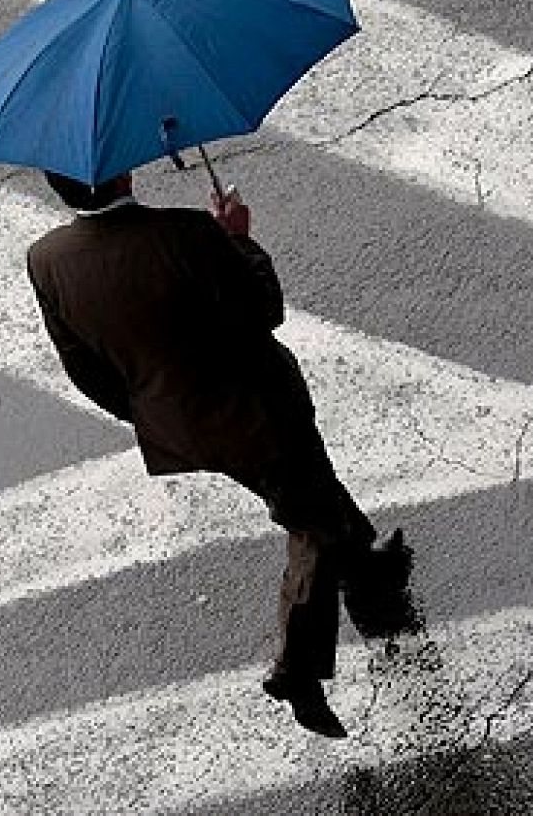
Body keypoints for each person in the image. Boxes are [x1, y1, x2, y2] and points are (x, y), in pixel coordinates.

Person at [26, 168, 420, 738]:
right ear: (121, 171)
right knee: (309, 518)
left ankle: (370, 568)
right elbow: (263, 309)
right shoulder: (187, 234)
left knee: (311, 491)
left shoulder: (47, 259)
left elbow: (83, 368)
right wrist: (236, 236)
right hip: (259, 409)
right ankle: (297, 669)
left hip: (180, 426)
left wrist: (152, 412)